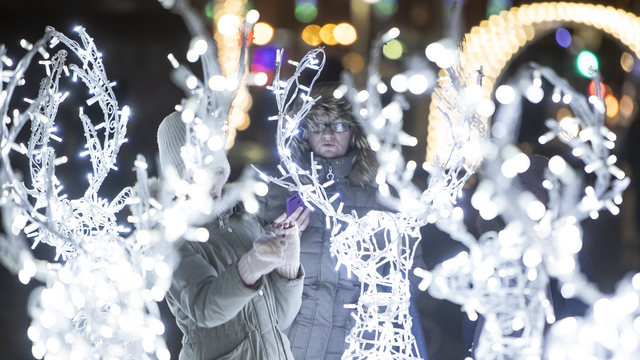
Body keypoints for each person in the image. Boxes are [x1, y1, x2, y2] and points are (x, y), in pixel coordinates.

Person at [255, 83, 428, 359]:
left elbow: (411, 274)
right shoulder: (276, 192)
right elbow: (246, 270)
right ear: (303, 133)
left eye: (338, 126)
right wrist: (274, 242)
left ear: (354, 132)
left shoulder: (385, 198)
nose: (327, 134)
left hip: (357, 347)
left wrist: (373, 324)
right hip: (289, 346)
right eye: (317, 125)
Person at [157, 111, 309, 360]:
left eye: (216, 171)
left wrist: (287, 261)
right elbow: (205, 308)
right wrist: (251, 266)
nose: (211, 184)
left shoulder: (244, 222)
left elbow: (280, 318)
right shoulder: (173, 240)